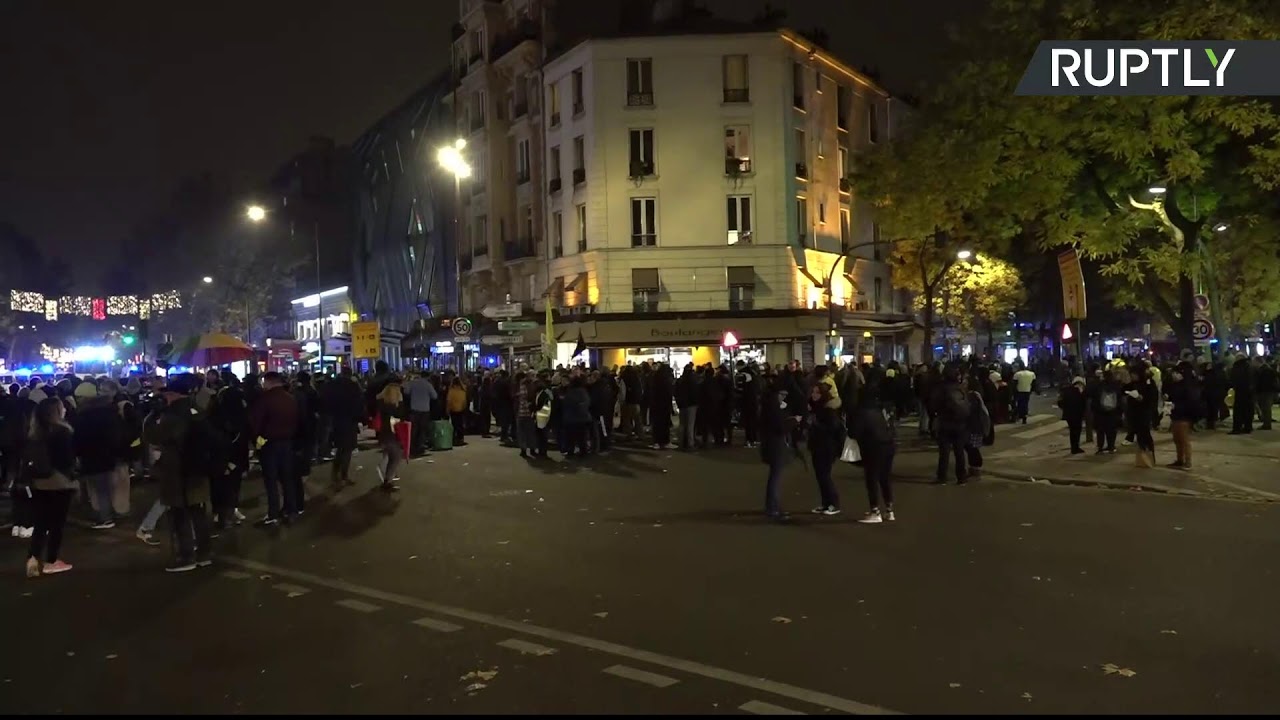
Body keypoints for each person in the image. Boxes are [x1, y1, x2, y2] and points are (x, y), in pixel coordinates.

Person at [144, 373, 216, 572]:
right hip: (198, 469)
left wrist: (152, 416)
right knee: (198, 513)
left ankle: (186, 557)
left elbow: (153, 436)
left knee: (179, 514)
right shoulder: (198, 410)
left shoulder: (173, 414)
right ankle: (204, 554)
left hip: (177, 471)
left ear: (173, 394)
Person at [23, 397, 77, 577]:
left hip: (39, 481)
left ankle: (32, 557)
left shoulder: (35, 433)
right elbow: (66, 460)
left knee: (41, 522)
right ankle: (51, 561)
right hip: (59, 481)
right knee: (57, 525)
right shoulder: (62, 432)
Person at [71, 380, 124, 529]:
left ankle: (106, 518)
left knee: (100, 488)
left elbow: (79, 438)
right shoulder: (107, 411)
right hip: (107, 455)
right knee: (105, 487)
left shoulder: (85, 416)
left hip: (92, 456)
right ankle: (107, 514)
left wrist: (77, 453)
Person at [249, 372, 299, 526]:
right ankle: (291, 510)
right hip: (287, 443)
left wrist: (256, 443)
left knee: (271, 481)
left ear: (269, 382)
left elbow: (255, 424)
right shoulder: (290, 398)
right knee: (287, 479)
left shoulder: (265, 399)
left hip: (269, 444)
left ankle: (273, 514)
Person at [759, 374, 799, 519]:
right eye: (782, 394)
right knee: (775, 477)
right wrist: (794, 421)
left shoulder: (769, 402)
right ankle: (773, 508)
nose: (783, 397)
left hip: (771, 443)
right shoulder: (773, 405)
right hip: (775, 444)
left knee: (774, 476)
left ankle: (772, 506)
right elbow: (780, 427)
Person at [853, 399, 897, 524]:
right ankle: (889, 510)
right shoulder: (881, 411)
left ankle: (875, 511)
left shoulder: (862, 414)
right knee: (885, 478)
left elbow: (855, 432)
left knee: (871, 479)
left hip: (873, 447)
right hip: (888, 445)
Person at [806, 375, 843, 515]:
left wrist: (815, 424)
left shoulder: (828, 409)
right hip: (817, 445)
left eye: (817, 392)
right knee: (820, 476)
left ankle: (834, 503)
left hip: (827, 447)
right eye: (813, 392)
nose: (814, 394)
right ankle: (825, 503)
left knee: (825, 475)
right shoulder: (815, 407)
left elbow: (832, 428)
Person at [325, 367, 365, 486]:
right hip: (349, 420)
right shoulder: (353, 386)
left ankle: (336, 474)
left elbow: (326, 401)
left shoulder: (332, 385)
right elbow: (360, 403)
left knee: (341, 448)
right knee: (347, 449)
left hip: (336, 420)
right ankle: (343, 475)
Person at [931, 367, 970, 484]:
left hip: (945, 423)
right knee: (959, 451)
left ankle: (942, 477)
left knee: (944, 452)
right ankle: (961, 477)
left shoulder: (940, 389)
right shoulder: (961, 388)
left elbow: (933, 405)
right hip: (960, 423)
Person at [1165, 363, 1202, 469]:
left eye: (1175, 373)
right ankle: (1180, 459)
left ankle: (1188, 461)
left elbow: (1190, 402)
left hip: (1184, 416)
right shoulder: (1175, 385)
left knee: (1184, 439)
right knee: (1177, 439)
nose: (1173, 375)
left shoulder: (1188, 386)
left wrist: (1176, 405)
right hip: (1175, 415)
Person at [374, 380, 405, 491]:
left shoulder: (381, 404)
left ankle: (386, 478)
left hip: (383, 433)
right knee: (395, 456)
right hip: (391, 434)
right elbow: (400, 417)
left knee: (388, 454)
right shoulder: (395, 407)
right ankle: (387, 479)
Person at [405, 371, 437, 457]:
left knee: (414, 430)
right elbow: (434, 396)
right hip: (425, 410)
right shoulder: (428, 385)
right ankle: (420, 447)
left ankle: (411, 448)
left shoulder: (413, 383)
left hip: (414, 409)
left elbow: (406, 392)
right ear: (428, 376)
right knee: (422, 430)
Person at [1058, 377, 1088, 454]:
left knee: (1072, 431)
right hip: (1077, 414)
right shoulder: (1080, 391)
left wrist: (1065, 408)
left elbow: (1060, 402)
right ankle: (1075, 448)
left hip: (1068, 415)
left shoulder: (1066, 390)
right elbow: (1083, 403)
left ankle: (1074, 447)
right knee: (1077, 431)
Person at [1229, 354, 1255, 435]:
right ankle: (1248, 427)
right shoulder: (1249, 366)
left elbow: (1234, 379)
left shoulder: (1237, 367)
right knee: (1248, 410)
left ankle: (1237, 428)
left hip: (1240, 392)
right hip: (1249, 392)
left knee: (1238, 411)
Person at [446, 376, 468, 446]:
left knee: (454, 425)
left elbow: (448, 401)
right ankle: (460, 439)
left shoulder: (451, 391)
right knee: (460, 425)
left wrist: (447, 409)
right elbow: (464, 401)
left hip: (453, 409)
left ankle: (454, 439)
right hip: (461, 409)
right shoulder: (463, 390)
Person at [1256, 356, 1276, 431]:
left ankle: (1267, 424)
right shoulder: (1268, 369)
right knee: (1266, 408)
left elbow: (1264, 382)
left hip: (1266, 391)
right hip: (1269, 390)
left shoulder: (1265, 370)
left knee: (1266, 408)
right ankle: (1267, 423)